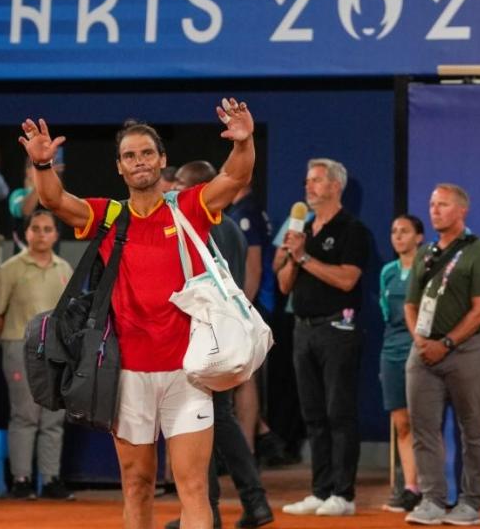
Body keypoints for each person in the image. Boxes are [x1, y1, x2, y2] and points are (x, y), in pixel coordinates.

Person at [19, 98, 254, 529]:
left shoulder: (189, 207)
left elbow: (236, 176)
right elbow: (55, 200)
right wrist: (42, 165)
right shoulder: (110, 216)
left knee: (193, 487)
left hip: (188, 374)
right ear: (120, 168)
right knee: (137, 482)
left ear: (162, 160)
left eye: (147, 153)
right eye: (130, 156)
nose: (139, 161)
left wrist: (243, 142)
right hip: (127, 376)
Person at [166, 160, 273, 529]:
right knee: (216, 420)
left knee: (207, 421)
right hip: (221, 337)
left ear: (198, 188)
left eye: (178, 181)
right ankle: (248, 503)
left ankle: (213, 510)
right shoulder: (230, 229)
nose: (172, 187)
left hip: (204, 339)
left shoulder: (199, 225)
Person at [276, 158, 370, 518]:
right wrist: (292, 255)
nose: (309, 186)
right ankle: (320, 489)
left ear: (335, 186)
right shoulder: (305, 229)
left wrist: (305, 258)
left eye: (316, 180)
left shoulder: (352, 230)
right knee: (313, 414)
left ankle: (343, 494)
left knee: (339, 413)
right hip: (303, 328)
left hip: (338, 330)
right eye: (307, 180)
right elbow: (285, 285)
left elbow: (348, 280)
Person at [403, 184, 480, 526]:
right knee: (424, 428)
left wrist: (445, 344)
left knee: (473, 428)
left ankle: (471, 502)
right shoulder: (425, 252)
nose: (434, 210)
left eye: (442, 204)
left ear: (462, 211)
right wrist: (420, 340)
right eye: (431, 204)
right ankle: (431, 499)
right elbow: (410, 304)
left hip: (466, 351)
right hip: (423, 353)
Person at [0, 209, 74, 500]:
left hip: (56, 350)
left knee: (53, 417)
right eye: (35, 228)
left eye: (47, 229)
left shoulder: (64, 269)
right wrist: (13, 342)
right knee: (24, 414)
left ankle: (51, 479)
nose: (41, 234)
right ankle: (22, 479)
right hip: (19, 347)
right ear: (25, 233)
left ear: (56, 235)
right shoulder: (11, 268)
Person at [226, 182, 293, 468]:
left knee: (244, 377)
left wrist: (243, 309)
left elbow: (254, 267)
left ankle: (249, 451)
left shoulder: (246, 211)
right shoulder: (245, 210)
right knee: (238, 376)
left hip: (254, 305)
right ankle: (262, 437)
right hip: (254, 305)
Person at [379, 214, 425, 513]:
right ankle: (411, 488)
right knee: (402, 423)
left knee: (424, 423)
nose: (398, 236)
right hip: (391, 351)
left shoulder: (427, 268)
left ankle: (432, 488)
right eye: (394, 231)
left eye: (404, 231)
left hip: (420, 351)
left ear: (419, 237)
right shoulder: (387, 272)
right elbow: (386, 312)